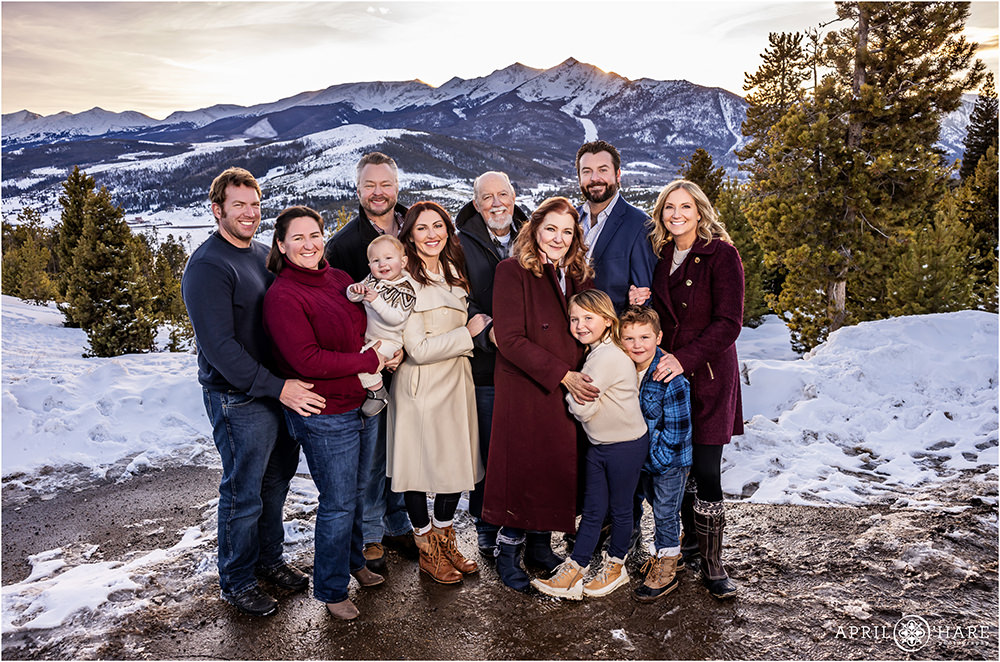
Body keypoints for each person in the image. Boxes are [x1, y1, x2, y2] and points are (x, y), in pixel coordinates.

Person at [181, 168, 323, 617]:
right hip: (238, 397)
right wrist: (277, 387)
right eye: (238, 204)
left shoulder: (263, 254)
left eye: (255, 204)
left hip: (277, 392)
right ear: (217, 209)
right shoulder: (208, 266)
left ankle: (269, 560)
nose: (248, 212)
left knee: (276, 483)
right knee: (244, 492)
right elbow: (219, 348)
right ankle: (237, 579)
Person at [262, 206, 387, 620]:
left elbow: (359, 330)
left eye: (314, 235)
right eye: (297, 238)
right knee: (336, 501)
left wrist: (385, 347)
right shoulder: (283, 295)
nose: (309, 244)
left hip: (360, 401)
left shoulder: (338, 279)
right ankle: (332, 589)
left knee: (354, 492)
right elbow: (307, 359)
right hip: (324, 410)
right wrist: (366, 362)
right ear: (281, 245)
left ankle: (354, 562)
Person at [481, 196, 596, 592]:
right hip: (528, 386)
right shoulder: (512, 271)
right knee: (524, 471)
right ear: (534, 230)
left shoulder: (578, 273)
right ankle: (507, 553)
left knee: (553, 468)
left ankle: (540, 548)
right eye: (551, 229)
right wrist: (561, 374)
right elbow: (509, 339)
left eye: (567, 231)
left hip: (568, 385)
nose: (558, 238)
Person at [636, 178, 744, 600]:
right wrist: (641, 302)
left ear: (700, 211)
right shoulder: (662, 256)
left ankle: (714, 564)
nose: (676, 214)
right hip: (670, 379)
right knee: (678, 465)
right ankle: (690, 544)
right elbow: (662, 317)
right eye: (668, 208)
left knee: (706, 469)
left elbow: (729, 323)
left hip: (710, 375)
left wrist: (685, 358)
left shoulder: (721, 254)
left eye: (685, 207)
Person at [386, 201, 489, 584]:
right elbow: (418, 349)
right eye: (422, 228)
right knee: (415, 471)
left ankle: (445, 538)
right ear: (409, 235)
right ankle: (427, 548)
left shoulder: (453, 270)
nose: (432, 234)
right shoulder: (402, 280)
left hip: (456, 382)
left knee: (453, 467)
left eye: (438, 226)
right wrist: (469, 334)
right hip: (420, 388)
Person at [324, 152, 413, 573]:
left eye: (386, 184)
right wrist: (376, 356)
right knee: (374, 453)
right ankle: (372, 534)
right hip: (372, 363)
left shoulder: (417, 228)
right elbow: (338, 312)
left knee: (402, 447)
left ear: (397, 186)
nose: (379, 193)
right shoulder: (343, 246)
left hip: (414, 358)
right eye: (369, 185)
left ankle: (399, 522)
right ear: (358, 190)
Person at [532, 290, 650, 600]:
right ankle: (576, 568)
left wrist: (574, 399)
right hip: (600, 444)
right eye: (574, 319)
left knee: (621, 510)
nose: (580, 325)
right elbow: (587, 401)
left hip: (625, 445)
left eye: (588, 318)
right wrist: (582, 399)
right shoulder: (594, 354)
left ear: (608, 321)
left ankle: (615, 566)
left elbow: (581, 406)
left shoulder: (608, 357)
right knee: (594, 511)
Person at [454, 170, 528, 557]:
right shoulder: (459, 243)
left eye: (503, 194)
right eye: (487, 197)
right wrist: (486, 333)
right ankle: (486, 522)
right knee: (487, 447)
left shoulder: (531, 234)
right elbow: (457, 300)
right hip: (484, 366)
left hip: (529, 366)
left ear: (514, 196)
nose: (497, 203)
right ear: (476, 202)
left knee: (524, 446)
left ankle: (525, 518)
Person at [619, 305, 692, 602]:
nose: (638, 345)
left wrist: (659, 461)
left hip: (668, 461)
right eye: (630, 338)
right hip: (641, 460)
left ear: (659, 337)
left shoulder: (669, 376)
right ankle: (669, 554)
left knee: (665, 513)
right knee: (647, 506)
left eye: (645, 337)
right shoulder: (623, 369)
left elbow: (678, 428)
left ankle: (666, 569)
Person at [575, 140, 657, 314]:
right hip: (568, 331)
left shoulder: (640, 225)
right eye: (587, 171)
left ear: (618, 174)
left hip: (612, 333)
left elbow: (644, 298)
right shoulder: (570, 220)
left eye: (603, 170)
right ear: (579, 177)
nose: (594, 178)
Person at [346, 235, 416, 416]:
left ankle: (378, 392)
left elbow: (397, 319)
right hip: (370, 336)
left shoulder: (406, 290)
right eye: (375, 260)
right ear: (369, 266)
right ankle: (370, 389)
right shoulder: (371, 280)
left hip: (389, 340)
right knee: (355, 357)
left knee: (364, 361)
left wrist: (377, 301)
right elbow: (353, 297)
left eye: (388, 258)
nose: (382, 264)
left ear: (403, 262)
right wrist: (353, 290)